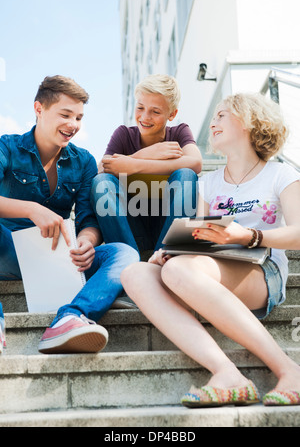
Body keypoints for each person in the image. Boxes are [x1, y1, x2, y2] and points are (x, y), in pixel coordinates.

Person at [121, 92, 300, 407]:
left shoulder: (281, 174)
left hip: (263, 271)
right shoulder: (208, 182)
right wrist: (172, 250)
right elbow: (201, 237)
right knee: (135, 273)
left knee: (179, 269)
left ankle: (289, 371)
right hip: (213, 268)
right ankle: (227, 373)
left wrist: (250, 236)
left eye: (221, 116)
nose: (212, 124)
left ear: (248, 121)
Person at [0, 75, 139, 355]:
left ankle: (70, 317)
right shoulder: (8, 147)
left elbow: (88, 219)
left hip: (57, 258)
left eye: (78, 117)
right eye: (65, 114)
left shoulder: (84, 160)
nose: (73, 125)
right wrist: (31, 209)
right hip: (8, 251)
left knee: (125, 254)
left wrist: (86, 241)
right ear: (39, 109)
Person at [91, 74, 202, 255]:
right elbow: (102, 169)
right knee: (102, 182)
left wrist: (134, 165)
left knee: (186, 175)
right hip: (131, 231)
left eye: (155, 111)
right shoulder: (124, 134)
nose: (145, 116)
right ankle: (125, 261)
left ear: (172, 114)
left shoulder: (179, 132)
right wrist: (146, 154)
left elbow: (195, 163)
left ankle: (167, 256)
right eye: (140, 107)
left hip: (167, 228)